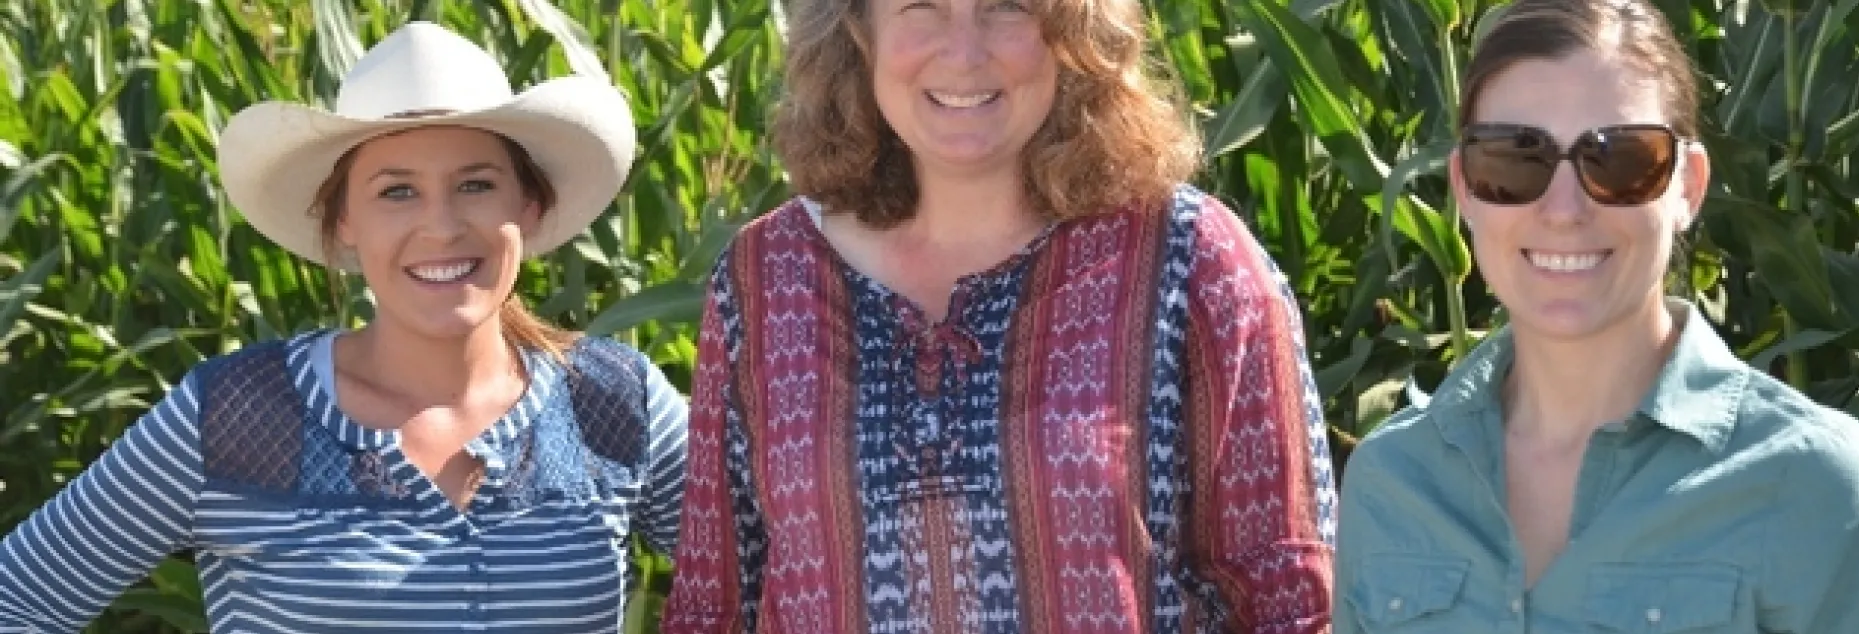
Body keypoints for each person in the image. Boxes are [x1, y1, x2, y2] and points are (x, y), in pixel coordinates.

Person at [658, 0, 1338, 632]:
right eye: (921, 7)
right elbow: (711, 605)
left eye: (1005, 6)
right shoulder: (763, 281)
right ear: (859, 32)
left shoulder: (1192, 263)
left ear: (1072, 30)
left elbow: (1291, 604)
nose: (964, 53)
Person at [0, 22, 689, 633]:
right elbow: (18, 598)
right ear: (344, 223)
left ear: (528, 205)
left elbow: (770, 583)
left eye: (476, 184)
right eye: (396, 191)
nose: (442, 225)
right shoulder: (238, 415)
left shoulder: (613, 401)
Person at [1331, 0, 1859, 631]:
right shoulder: (1391, 481)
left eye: (1618, 160)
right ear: (1464, 190)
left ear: (1688, 187)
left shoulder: (1814, 483)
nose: (1564, 209)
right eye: (1512, 159)